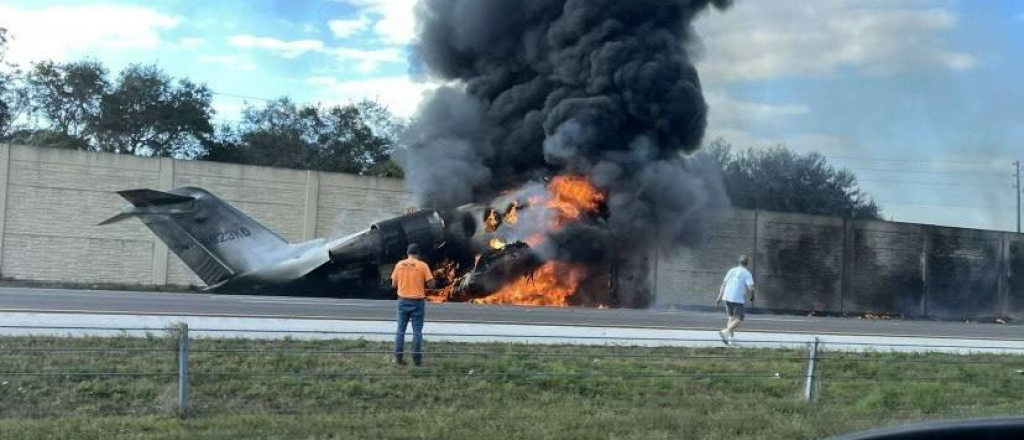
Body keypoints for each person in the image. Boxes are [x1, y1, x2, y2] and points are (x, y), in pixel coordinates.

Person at [391, 243, 434, 366]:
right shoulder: (422, 266)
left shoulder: (399, 265)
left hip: (403, 300)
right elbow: (431, 284)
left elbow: (393, 284)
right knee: (417, 331)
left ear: (407, 253)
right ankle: (417, 360)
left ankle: (398, 358)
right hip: (418, 302)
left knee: (400, 330)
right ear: (418, 254)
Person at [715, 255, 755, 345]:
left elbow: (723, 284)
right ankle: (725, 332)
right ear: (747, 263)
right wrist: (752, 296)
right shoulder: (747, 273)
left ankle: (730, 339)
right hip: (737, 298)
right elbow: (751, 288)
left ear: (738, 262)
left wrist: (719, 297)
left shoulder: (731, 270)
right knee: (740, 318)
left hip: (727, 297)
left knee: (731, 318)